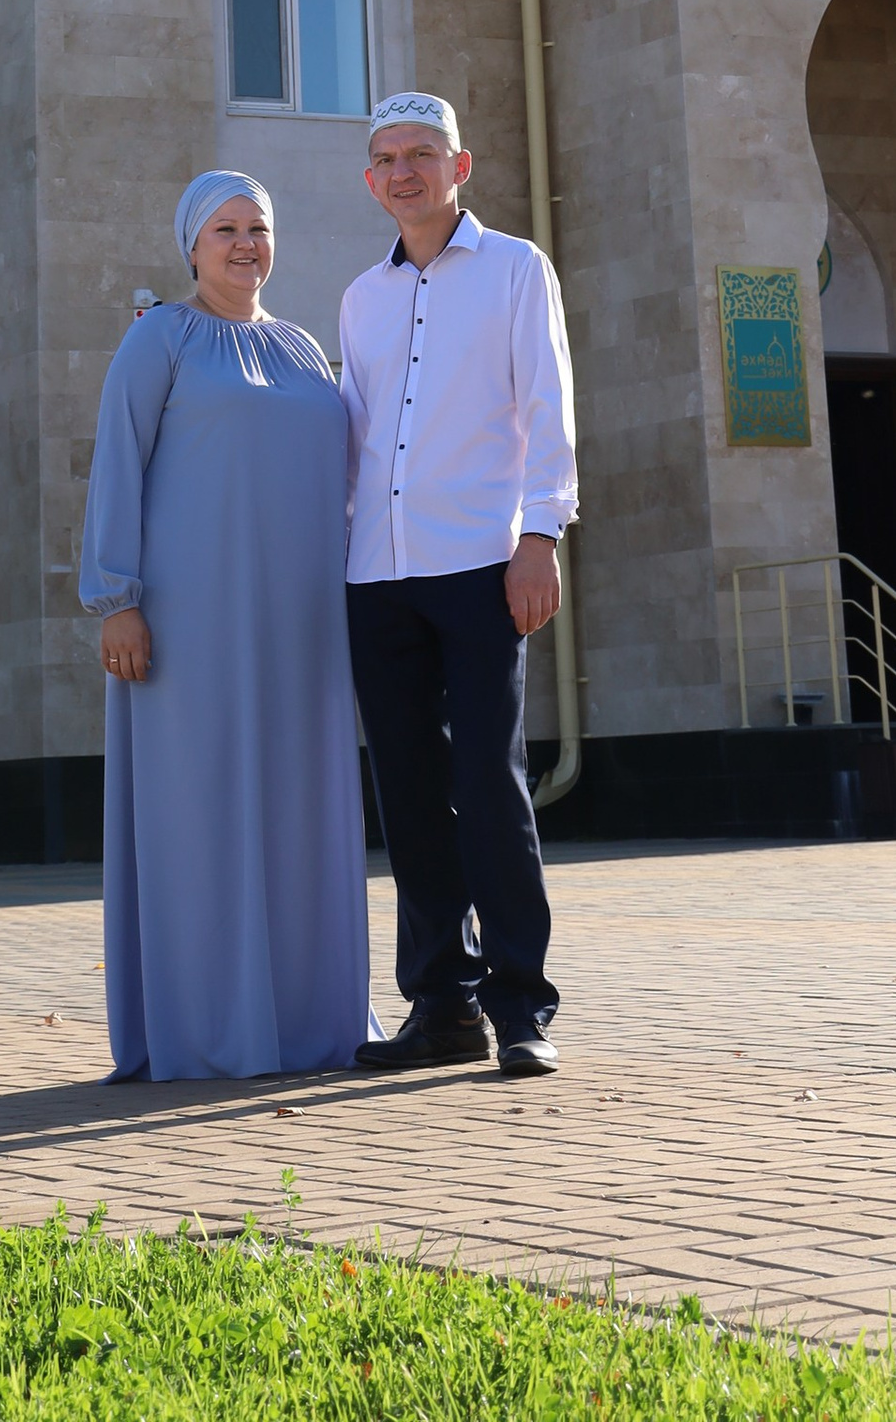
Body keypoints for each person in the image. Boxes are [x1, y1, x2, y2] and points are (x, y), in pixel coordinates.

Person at [79, 167, 372, 1081]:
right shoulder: (157, 339)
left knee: (300, 814)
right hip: (190, 628)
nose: (246, 244)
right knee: (199, 814)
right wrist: (116, 600)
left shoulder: (303, 347)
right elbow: (117, 468)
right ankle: (207, 1028)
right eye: (225, 230)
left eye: (259, 228)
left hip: (304, 629)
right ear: (191, 247)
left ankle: (307, 1022)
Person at [339, 88, 578, 1079]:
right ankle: (442, 1005)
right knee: (407, 792)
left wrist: (540, 533)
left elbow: (547, 400)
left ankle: (520, 1006)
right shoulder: (361, 297)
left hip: (483, 561)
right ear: (370, 180)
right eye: (387, 158)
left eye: (422, 154)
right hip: (377, 573)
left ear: (460, 166)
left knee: (487, 781)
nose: (405, 172)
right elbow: (348, 435)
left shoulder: (517, 269)